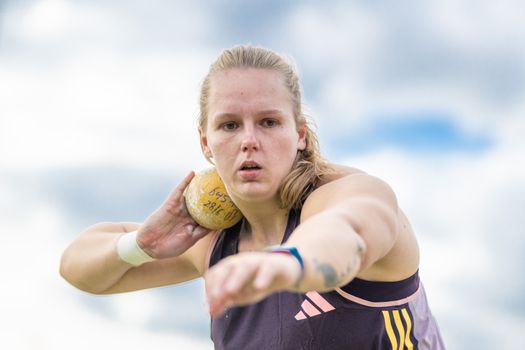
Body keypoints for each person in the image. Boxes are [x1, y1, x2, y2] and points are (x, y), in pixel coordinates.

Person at [60, 45, 445, 349]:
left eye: (269, 122)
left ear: (300, 134)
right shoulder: (213, 243)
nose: (248, 141)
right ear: (206, 143)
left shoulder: (349, 193)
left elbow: (345, 234)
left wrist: (289, 263)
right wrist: (141, 245)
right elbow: (79, 268)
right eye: (229, 125)